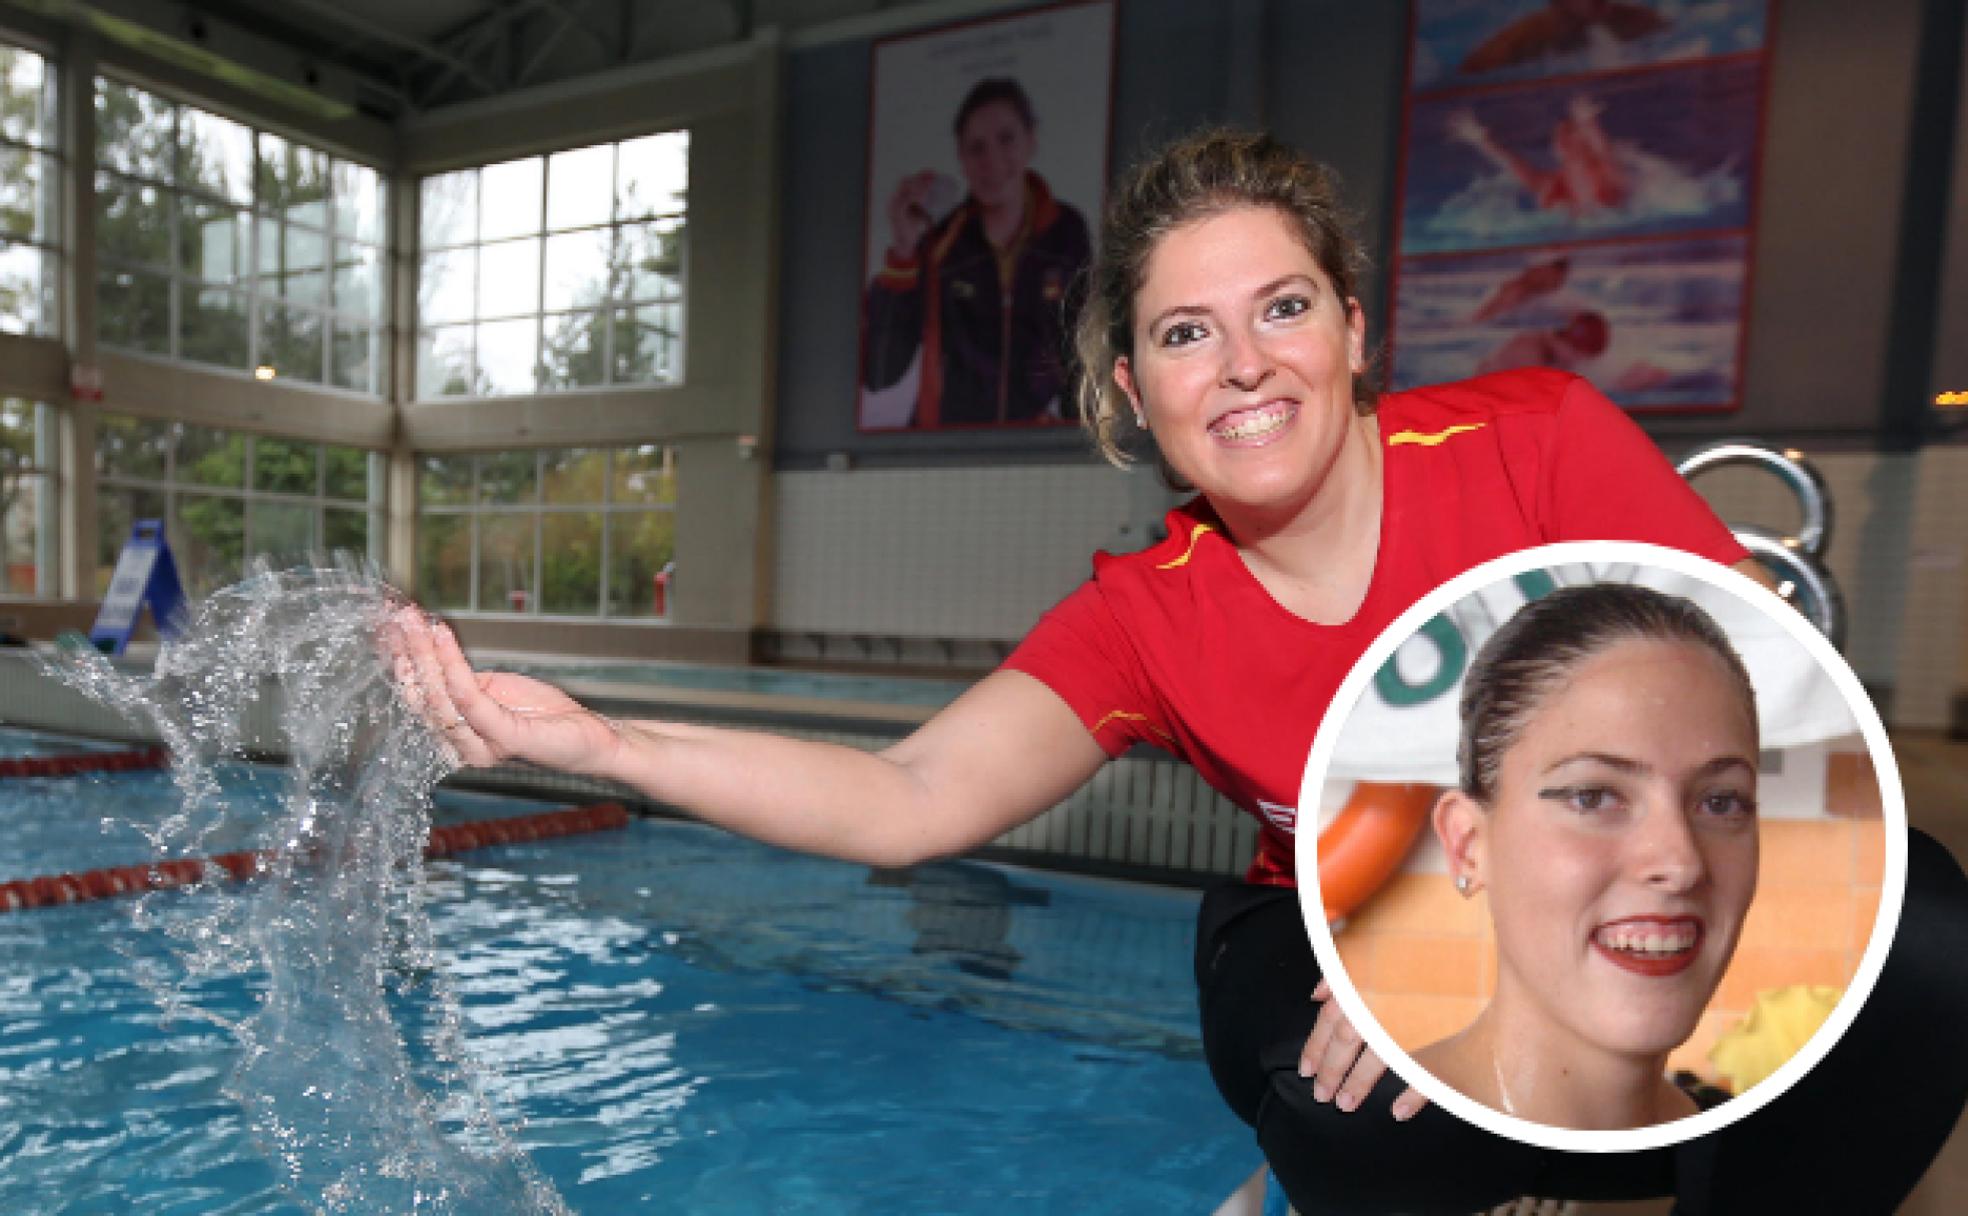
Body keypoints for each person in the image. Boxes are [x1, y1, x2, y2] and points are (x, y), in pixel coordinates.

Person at [391, 130, 1957, 1211]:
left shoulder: (1529, 444)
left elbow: (1774, 695)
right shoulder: (1153, 611)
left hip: (1604, 871)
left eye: (1281, 309)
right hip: (1315, 933)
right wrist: (607, 744)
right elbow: (909, 793)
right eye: (1188, 335)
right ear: (1135, 391)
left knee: (1929, 949)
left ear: (1351, 328)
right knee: (1344, 1110)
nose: (1247, 364)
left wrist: (1475, 941)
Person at [1416, 583, 1760, 1130]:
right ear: (1468, 845)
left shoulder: (1748, 1165)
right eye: (1593, 796)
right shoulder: (1366, 1141)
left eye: (1720, 802)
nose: (1681, 863)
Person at [861, 77, 1092, 427]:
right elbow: (879, 375)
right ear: (961, 158)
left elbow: (1081, 352)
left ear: (1031, 140)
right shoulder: (941, 243)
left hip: (1032, 442)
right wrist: (904, 249)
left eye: (1006, 139)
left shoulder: (1067, 232)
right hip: (948, 443)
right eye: (976, 147)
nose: (993, 160)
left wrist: (1070, 440)